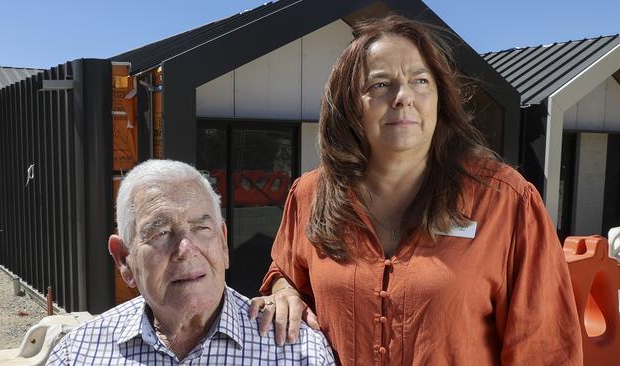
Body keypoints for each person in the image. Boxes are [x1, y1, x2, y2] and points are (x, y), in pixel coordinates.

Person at [249, 15, 583, 365]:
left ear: (440, 99)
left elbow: (546, 350)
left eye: (420, 81)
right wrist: (283, 290)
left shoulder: (505, 201)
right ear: (349, 105)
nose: (403, 96)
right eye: (380, 85)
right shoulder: (310, 195)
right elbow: (285, 270)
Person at [47, 159, 335, 365]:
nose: (185, 249)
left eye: (201, 228)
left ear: (223, 243)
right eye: (160, 232)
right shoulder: (78, 353)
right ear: (124, 259)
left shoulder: (297, 351)